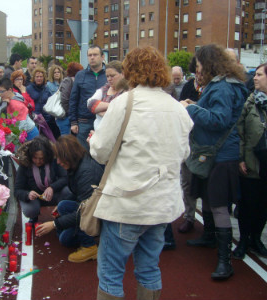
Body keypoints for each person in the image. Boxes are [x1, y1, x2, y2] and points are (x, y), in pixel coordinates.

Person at [89, 46, 193, 300]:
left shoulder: (124, 103)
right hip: (161, 205)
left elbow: (101, 152)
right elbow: (184, 153)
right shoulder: (177, 108)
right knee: (149, 269)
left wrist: (93, 140)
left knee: (111, 273)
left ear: (129, 71)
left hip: (127, 203)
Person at [180, 44, 247, 280]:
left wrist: (191, 108)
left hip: (220, 155)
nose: (197, 71)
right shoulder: (224, 84)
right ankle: (210, 237)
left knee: (218, 205)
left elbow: (219, 120)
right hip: (213, 153)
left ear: (208, 65)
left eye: (198, 66)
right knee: (208, 198)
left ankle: (224, 261)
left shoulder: (223, 88)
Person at [36, 135, 104, 263]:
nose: (58, 162)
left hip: (96, 214)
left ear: (69, 156)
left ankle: (90, 246)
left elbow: (85, 211)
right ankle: (83, 234)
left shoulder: (86, 173)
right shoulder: (77, 164)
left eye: (60, 158)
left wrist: (54, 224)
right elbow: (79, 193)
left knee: (64, 239)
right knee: (62, 206)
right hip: (91, 208)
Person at [234, 62, 267, 259]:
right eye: (255, 75)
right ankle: (244, 240)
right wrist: (240, 158)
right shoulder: (250, 102)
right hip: (251, 163)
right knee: (247, 204)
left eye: (260, 75)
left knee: (263, 205)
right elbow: (240, 132)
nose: (255, 78)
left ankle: (256, 238)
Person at [14, 136, 71, 223]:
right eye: (35, 158)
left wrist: (52, 187)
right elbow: (17, 190)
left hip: (53, 194)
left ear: (47, 156)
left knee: (68, 191)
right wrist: (27, 194)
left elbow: (66, 177)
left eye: (41, 159)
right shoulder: (24, 165)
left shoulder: (54, 160)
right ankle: (34, 216)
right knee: (29, 210)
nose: (38, 161)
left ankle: (61, 213)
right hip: (35, 198)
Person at [177, 57, 204, 234]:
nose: (198, 76)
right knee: (186, 182)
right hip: (188, 140)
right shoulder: (188, 86)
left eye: (201, 72)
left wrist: (193, 105)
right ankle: (189, 217)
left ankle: (210, 226)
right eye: (196, 72)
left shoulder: (213, 89)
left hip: (205, 144)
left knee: (204, 183)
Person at [69, 45, 107, 151]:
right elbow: (73, 99)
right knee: (83, 155)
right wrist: (73, 122)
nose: (92, 57)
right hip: (84, 122)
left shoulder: (108, 75)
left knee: (102, 154)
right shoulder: (80, 75)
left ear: (102, 57)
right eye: (90, 55)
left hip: (104, 121)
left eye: (95, 55)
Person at [87, 60, 128, 131]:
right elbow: (90, 104)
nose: (109, 79)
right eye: (107, 76)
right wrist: (112, 106)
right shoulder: (105, 89)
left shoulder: (127, 91)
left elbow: (120, 114)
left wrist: (98, 110)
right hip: (100, 132)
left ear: (122, 74)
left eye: (112, 76)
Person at [27, 67, 60, 139]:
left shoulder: (47, 88)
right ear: (34, 78)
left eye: (41, 76)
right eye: (37, 76)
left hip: (47, 120)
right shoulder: (29, 89)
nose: (39, 78)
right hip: (35, 120)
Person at [57, 62, 84, 135]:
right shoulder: (68, 80)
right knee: (66, 142)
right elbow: (64, 99)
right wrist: (71, 114)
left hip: (71, 117)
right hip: (66, 117)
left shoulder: (76, 80)